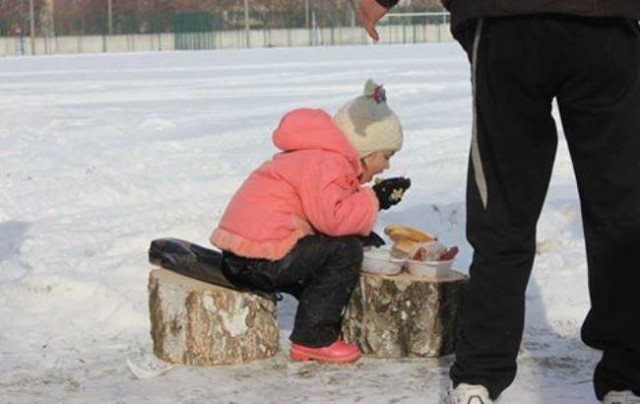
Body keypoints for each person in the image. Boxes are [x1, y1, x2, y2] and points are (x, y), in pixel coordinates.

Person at [357, 0, 640, 403]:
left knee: (505, 205)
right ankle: (626, 377)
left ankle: (480, 374)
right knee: (618, 207)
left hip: (512, 21)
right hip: (597, 20)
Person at [210, 79, 411, 364]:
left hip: (247, 254)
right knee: (345, 251)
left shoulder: (318, 157)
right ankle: (312, 339)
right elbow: (333, 219)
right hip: (260, 260)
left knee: (341, 245)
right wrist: (374, 199)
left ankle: (320, 310)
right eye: (387, 156)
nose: (387, 165)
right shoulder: (328, 163)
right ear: (367, 151)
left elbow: (323, 214)